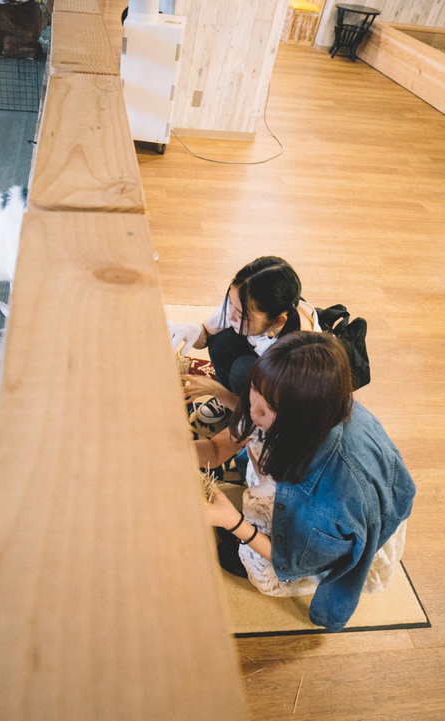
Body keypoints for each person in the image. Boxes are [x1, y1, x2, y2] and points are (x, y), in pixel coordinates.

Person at [196, 332, 415, 632]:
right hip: (299, 498)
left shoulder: (328, 495)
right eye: (254, 389)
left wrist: (232, 523)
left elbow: (294, 559)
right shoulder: (299, 407)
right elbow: (219, 448)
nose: (253, 408)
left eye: (268, 406)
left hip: (320, 533)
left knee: (255, 563)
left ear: (298, 415)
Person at [168, 255, 320, 422]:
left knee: (242, 371)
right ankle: (233, 401)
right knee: (220, 343)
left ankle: (237, 406)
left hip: (282, 406)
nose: (230, 316)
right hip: (265, 364)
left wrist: (217, 391)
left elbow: (277, 420)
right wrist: (191, 331)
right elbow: (206, 334)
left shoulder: (298, 355)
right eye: (229, 304)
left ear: (277, 321)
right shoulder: (242, 301)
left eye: (241, 315)